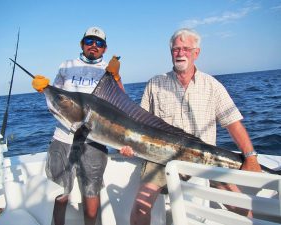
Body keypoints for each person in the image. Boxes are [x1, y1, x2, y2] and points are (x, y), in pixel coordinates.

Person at [120, 28, 261, 225]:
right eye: (176, 49)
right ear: (171, 53)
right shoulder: (154, 84)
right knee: (140, 208)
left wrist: (250, 156)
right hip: (160, 159)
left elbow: (232, 122)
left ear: (197, 53)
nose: (180, 53)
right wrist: (130, 147)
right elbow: (138, 124)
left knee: (240, 206)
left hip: (203, 157)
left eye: (186, 49)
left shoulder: (212, 85)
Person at [32, 26, 123, 225]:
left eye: (99, 43)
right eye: (89, 41)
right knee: (60, 191)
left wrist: (115, 77)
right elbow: (56, 98)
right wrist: (45, 90)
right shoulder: (66, 65)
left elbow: (121, 102)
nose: (94, 46)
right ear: (82, 44)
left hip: (95, 140)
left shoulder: (108, 69)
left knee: (91, 192)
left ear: (105, 49)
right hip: (63, 136)